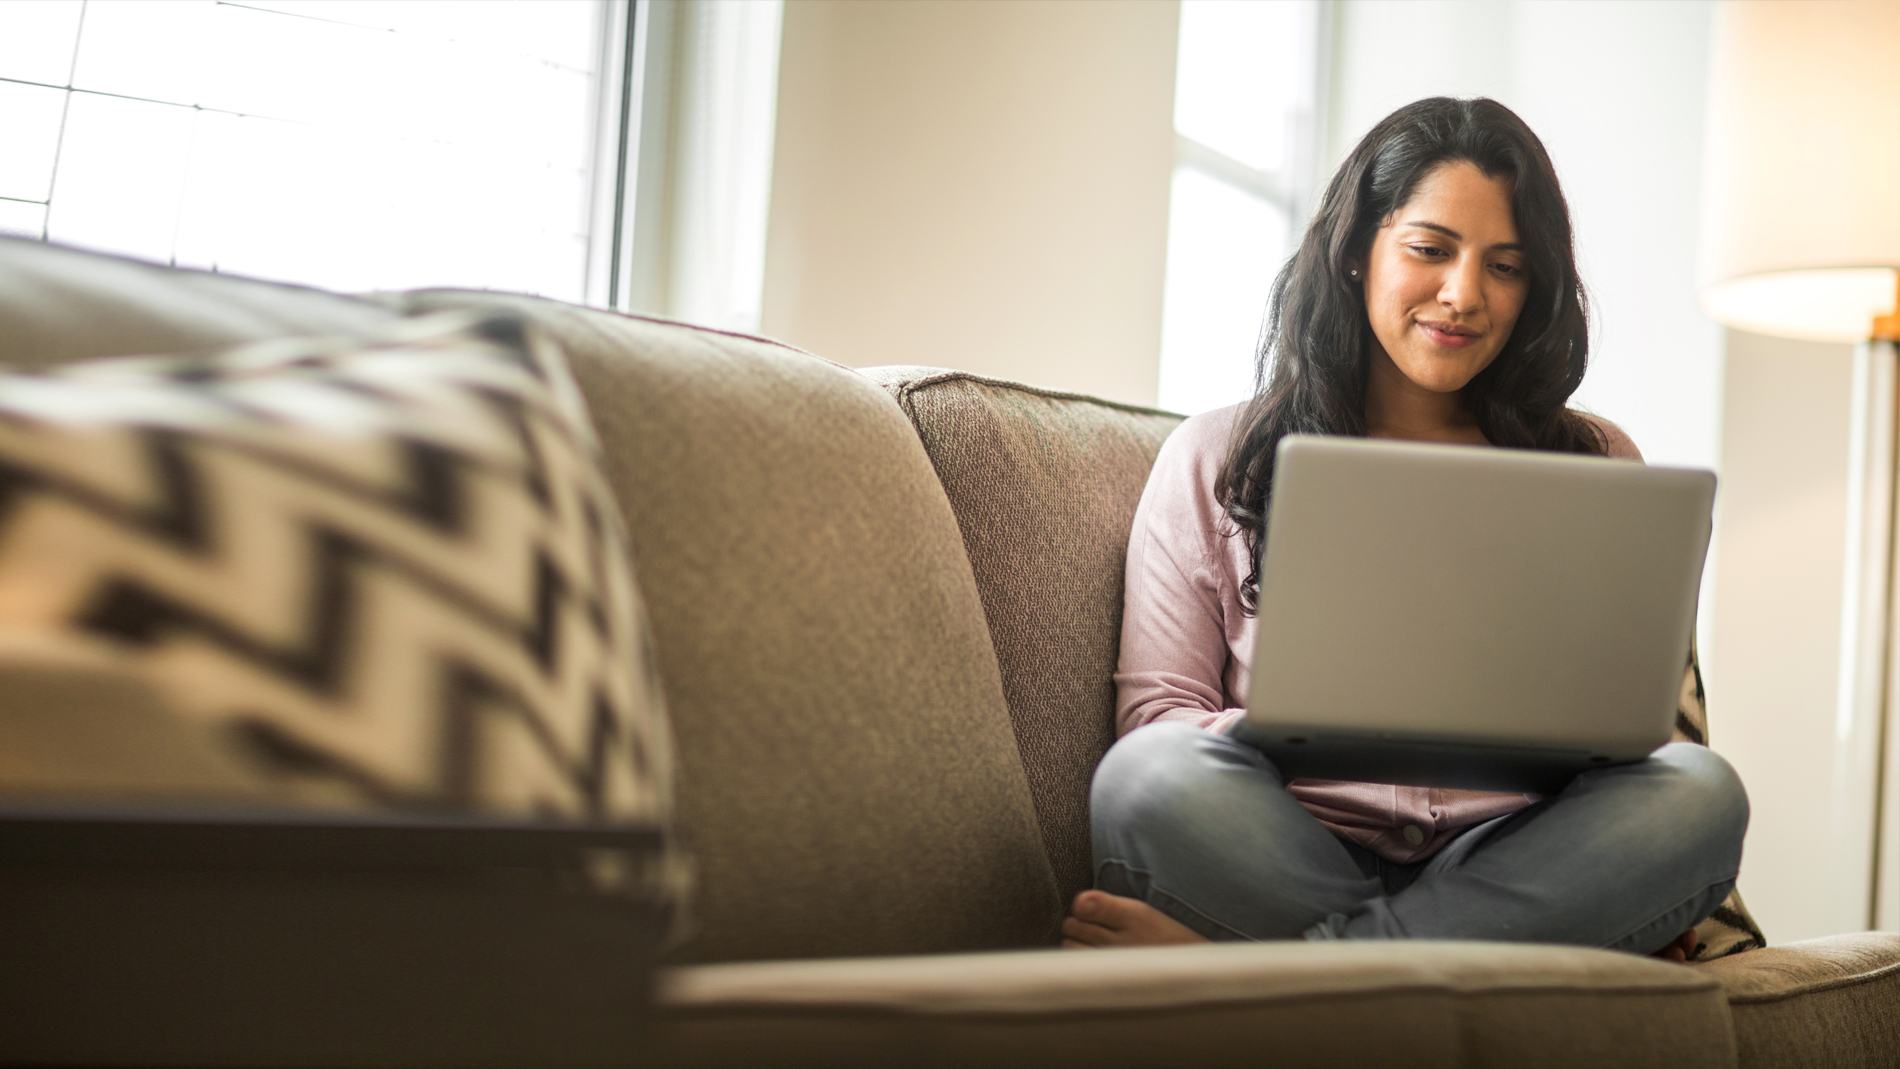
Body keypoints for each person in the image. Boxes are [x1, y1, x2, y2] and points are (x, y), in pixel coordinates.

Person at [1061, 97, 1746, 962]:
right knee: (1146, 777)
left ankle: (1293, 985)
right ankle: (1416, 978)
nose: (1464, 295)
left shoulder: (1597, 460)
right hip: (1289, 847)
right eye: (1430, 249)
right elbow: (1158, 717)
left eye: (1506, 266)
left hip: (1513, 860)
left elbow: (1634, 738)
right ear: (1357, 254)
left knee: (1699, 792)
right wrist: (1289, 725)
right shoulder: (1217, 456)